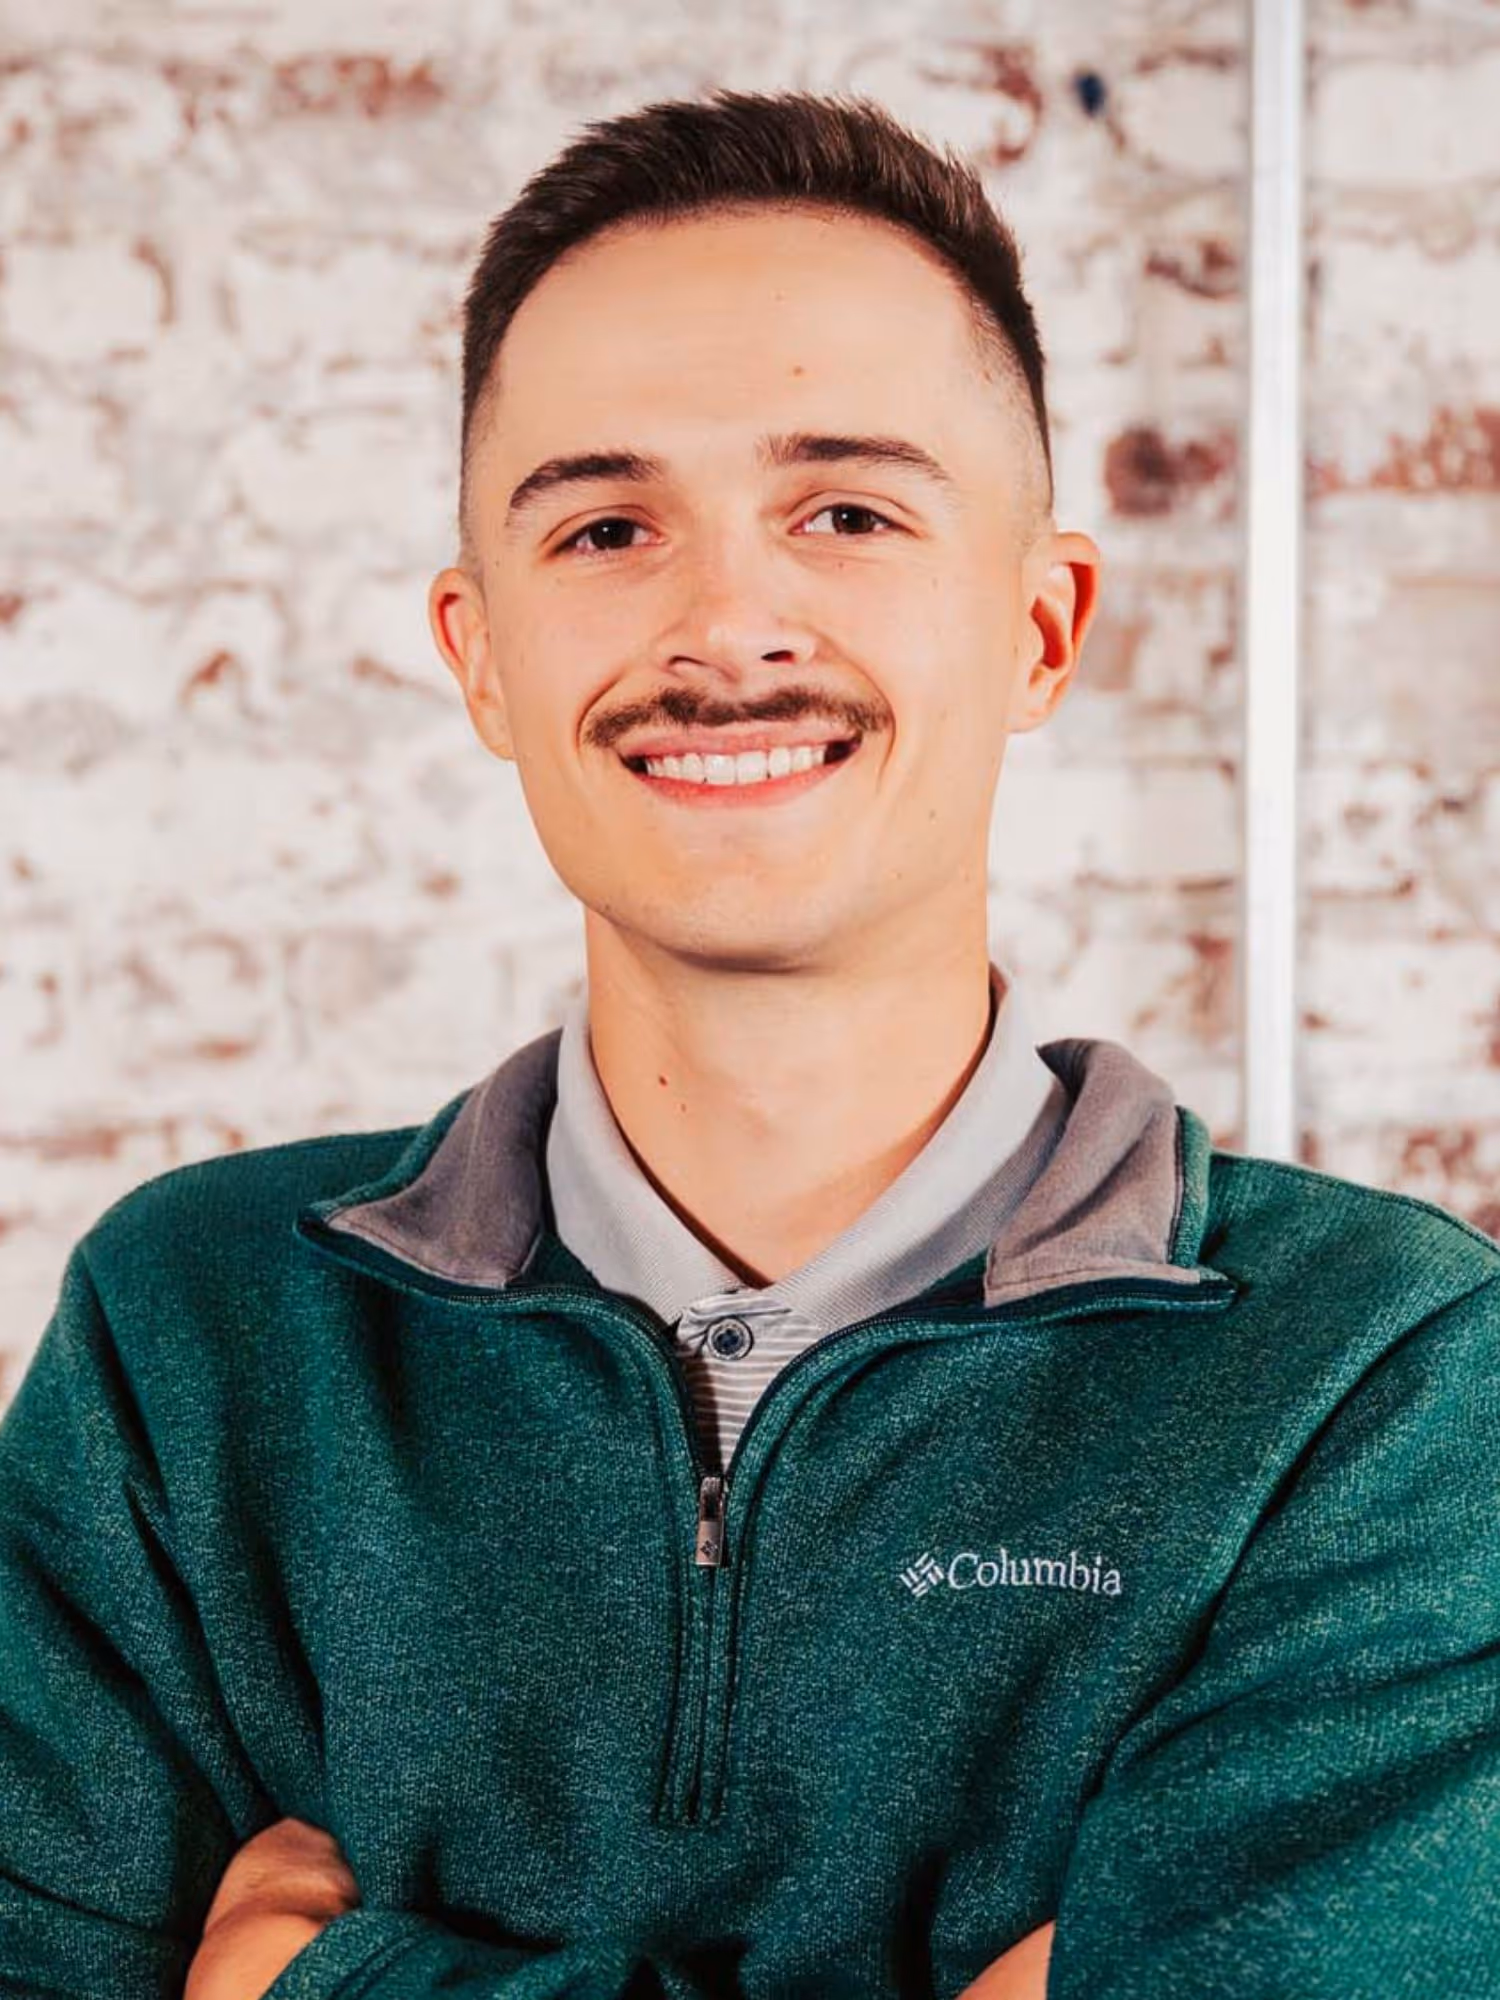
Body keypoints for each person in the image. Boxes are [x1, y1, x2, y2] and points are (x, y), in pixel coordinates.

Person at [2, 84, 1497, 2000]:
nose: (727, 623)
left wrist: (331, 1983)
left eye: (847, 512)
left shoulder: (1380, 1384)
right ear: (481, 656)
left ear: (1042, 628)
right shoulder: (190, 1335)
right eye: (611, 524)